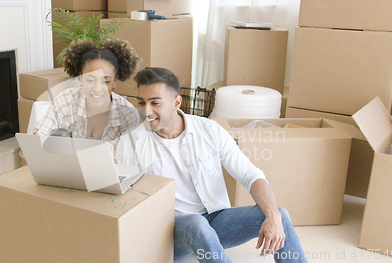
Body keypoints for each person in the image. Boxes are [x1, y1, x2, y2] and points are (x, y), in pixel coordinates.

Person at [115, 67, 308, 263]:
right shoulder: (130, 143)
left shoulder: (209, 130)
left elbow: (251, 175)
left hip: (215, 221)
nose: (146, 111)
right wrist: (113, 175)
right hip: (168, 233)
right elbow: (119, 199)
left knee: (279, 213)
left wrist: (273, 216)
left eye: (155, 103)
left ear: (176, 102)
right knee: (195, 223)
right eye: (141, 102)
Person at [34, 39, 140, 150]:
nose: (97, 89)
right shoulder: (66, 99)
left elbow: (125, 155)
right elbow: (39, 136)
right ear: (80, 78)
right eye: (90, 80)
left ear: (115, 81)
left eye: (106, 82)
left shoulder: (128, 115)